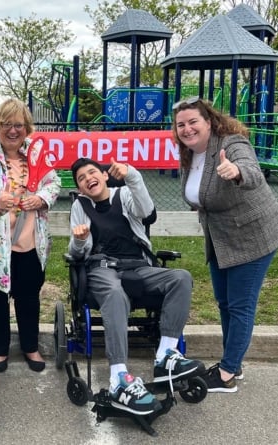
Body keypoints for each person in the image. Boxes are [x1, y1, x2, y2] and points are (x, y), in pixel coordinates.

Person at [68, 157, 204, 415]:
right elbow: (76, 253)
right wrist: (79, 240)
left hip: (138, 266)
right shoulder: (80, 206)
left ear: (105, 175)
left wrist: (133, 176)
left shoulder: (126, 194)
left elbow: (146, 211)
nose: (87, 179)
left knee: (181, 277)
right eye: (81, 179)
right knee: (116, 295)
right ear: (80, 187)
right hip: (102, 269)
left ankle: (166, 356)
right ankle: (119, 377)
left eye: (92, 173)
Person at [172, 97, 278, 393]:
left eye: (192, 122)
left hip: (253, 237)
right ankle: (232, 362)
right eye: (181, 125)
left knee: (240, 305)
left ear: (209, 122)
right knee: (224, 302)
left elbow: (250, 170)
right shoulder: (189, 153)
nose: (187, 129)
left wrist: (236, 172)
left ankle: (227, 373)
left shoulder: (232, 143)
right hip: (221, 239)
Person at [0, 98, 61, 373]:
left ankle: (30, 347)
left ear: (26, 127)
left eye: (18, 125)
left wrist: (42, 198)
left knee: (29, 295)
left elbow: (53, 182)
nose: (13, 130)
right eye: (7, 124)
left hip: (30, 239)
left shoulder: (36, 152)